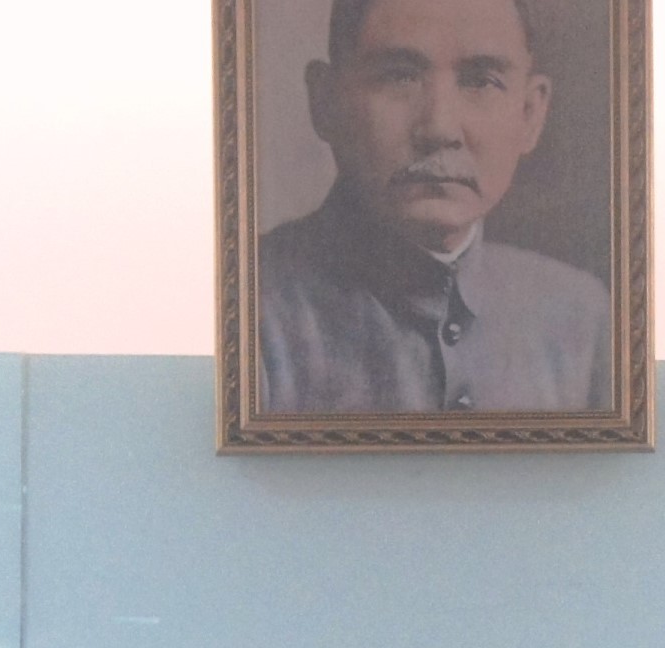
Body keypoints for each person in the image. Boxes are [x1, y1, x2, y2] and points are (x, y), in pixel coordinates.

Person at [257, 0, 613, 415]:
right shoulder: (248, 308)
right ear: (325, 102)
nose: (440, 129)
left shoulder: (581, 316)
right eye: (399, 76)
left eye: (481, 81)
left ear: (530, 114)